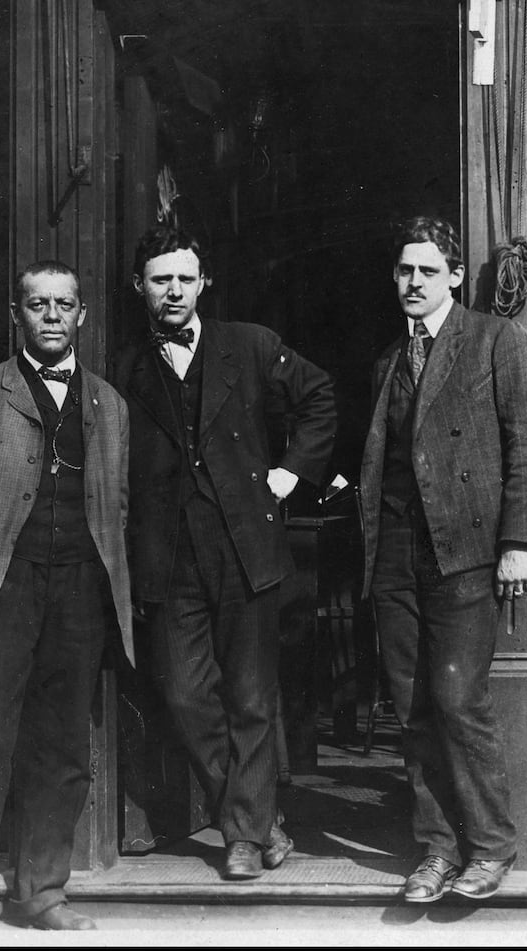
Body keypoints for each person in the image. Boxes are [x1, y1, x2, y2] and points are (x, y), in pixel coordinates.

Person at [0, 262, 132, 931]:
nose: (50, 316)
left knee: (62, 750)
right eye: (37, 304)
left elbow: (118, 509)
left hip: (78, 596)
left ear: (82, 315)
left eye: (63, 305)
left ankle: (42, 891)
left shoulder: (110, 405)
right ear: (18, 313)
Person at [121, 226, 336, 880]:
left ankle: (241, 835)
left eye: (185, 278)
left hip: (246, 548)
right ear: (141, 287)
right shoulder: (125, 367)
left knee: (250, 697)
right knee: (185, 693)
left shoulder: (251, 344)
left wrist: (291, 473)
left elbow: (320, 395)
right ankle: (256, 816)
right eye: (161, 279)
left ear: (203, 282)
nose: (174, 291)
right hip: (167, 557)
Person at [355, 217, 527, 901]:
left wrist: (519, 544)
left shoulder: (496, 341)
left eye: (427, 271)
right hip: (398, 552)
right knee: (413, 707)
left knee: (456, 698)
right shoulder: (387, 361)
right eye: (404, 271)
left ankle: (492, 845)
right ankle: (438, 848)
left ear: (452, 275)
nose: (413, 283)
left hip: (468, 553)